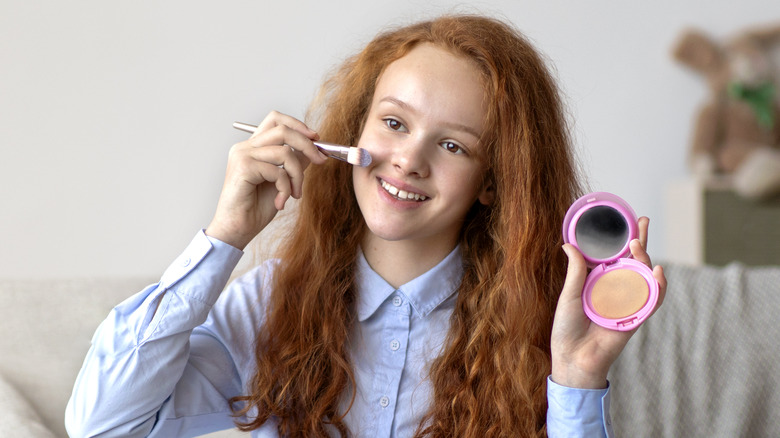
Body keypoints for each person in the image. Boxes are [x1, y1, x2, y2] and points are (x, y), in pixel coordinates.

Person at [66, 14, 666, 438]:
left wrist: (578, 379)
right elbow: (102, 423)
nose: (409, 160)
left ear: (492, 181)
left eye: (453, 145)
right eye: (395, 124)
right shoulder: (269, 304)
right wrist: (223, 237)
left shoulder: (539, 321)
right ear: (354, 136)